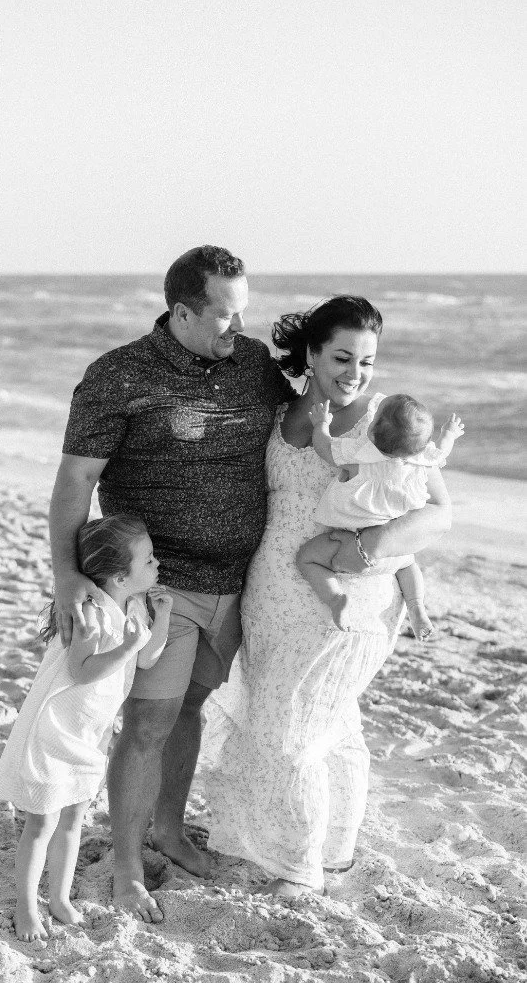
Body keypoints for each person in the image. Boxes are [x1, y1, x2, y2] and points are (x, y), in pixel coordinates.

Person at [48, 245, 295, 922]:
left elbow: (310, 422)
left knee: (188, 708)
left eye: (242, 314)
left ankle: (169, 830)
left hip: (238, 581)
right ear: (181, 311)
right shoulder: (118, 375)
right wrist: (68, 575)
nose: (235, 330)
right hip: (160, 585)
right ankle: (127, 865)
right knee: (151, 719)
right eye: (222, 316)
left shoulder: (252, 367)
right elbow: (76, 482)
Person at [203, 296, 452, 897]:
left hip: (345, 595)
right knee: (325, 726)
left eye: (366, 362)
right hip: (269, 594)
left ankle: (299, 862)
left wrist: (369, 549)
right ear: (311, 356)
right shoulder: (277, 415)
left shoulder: (386, 425)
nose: (355, 374)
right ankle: (326, 845)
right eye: (342, 358)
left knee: (291, 733)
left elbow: (439, 512)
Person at [0, 514, 173, 942]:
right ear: (117, 576)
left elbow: (147, 658)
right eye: (147, 560)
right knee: (41, 824)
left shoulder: (131, 606)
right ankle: (26, 907)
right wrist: (127, 645)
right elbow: (81, 669)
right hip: (56, 732)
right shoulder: (91, 611)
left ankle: (59, 899)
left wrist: (161, 616)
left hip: (90, 736)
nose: (156, 564)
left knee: (73, 819)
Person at [298, 393, 464, 638]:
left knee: (307, 558)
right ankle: (417, 608)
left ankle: (335, 600)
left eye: (374, 417)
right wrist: (448, 434)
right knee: (409, 565)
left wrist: (321, 423)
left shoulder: (360, 458)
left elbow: (324, 447)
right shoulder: (421, 462)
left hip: (349, 542)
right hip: (394, 548)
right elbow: (441, 452)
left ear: (372, 433)